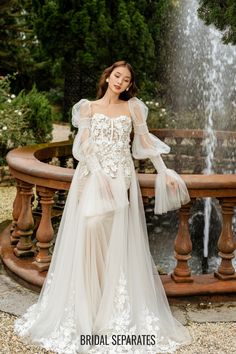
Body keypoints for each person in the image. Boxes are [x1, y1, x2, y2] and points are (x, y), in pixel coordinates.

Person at [14, 60, 191, 353]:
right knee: (91, 231)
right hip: (92, 178)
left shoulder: (133, 107)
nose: (120, 81)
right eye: (116, 75)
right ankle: (88, 305)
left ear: (128, 84)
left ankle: (111, 307)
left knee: (113, 238)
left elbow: (144, 143)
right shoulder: (87, 108)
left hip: (120, 178)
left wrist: (163, 171)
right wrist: (98, 175)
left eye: (126, 79)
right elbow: (81, 148)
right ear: (107, 77)